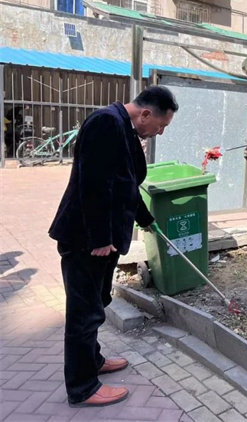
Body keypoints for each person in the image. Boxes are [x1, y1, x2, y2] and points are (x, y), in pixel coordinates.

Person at [48, 86, 178, 407]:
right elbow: (94, 183)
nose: (160, 132)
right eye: (161, 125)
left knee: (97, 302)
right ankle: (82, 387)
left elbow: (124, 183)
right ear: (145, 113)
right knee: (84, 313)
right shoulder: (106, 122)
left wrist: (145, 219)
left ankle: (92, 360)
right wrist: (100, 238)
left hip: (101, 241)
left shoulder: (123, 127)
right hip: (87, 241)